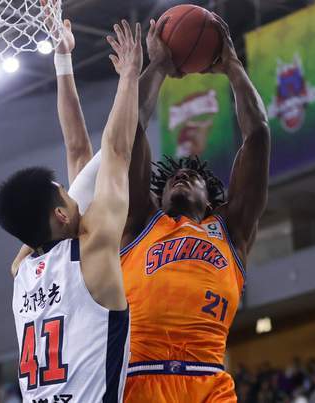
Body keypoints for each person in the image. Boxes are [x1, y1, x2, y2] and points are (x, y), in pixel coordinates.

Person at [120, 14, 270, 402]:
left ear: (213, 199)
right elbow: (129, 128)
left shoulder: (231, 229)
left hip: (209, 382)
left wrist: (233, 66)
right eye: (174, 176)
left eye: (193, 176)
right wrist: (159, 66)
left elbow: (257, 135)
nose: (182, 176)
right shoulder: (139, 222)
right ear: (158, 196)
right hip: (141, 379)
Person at [0, 20, 142, 402]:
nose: (74, 193)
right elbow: (117, 151)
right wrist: (130, 75)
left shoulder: (21, 271)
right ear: (60, 215)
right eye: (66, 193)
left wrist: (63, 58)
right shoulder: (93, 248)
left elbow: (78, 151)